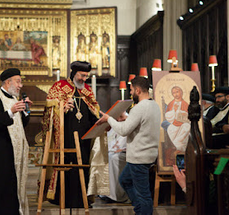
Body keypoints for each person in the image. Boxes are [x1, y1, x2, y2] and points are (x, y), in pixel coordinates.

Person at [41, 61, 106, 208]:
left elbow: (92, 110)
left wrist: (99, 121)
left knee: (82, 164)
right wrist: (61, 107)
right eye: (82, 75)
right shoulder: (59, 87)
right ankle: (64, 198)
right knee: (68, 164)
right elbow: (48, 114)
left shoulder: (87, 90)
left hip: (84, 137)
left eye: (86, 76)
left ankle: (82, 198)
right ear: (73, 73)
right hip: (65, 137)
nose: (84, 79)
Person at [95, 76, 161, 215]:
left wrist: (109, 119)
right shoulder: (154, 105)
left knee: (144, 195)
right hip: (146, 155)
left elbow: (124, 130)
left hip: (139, 157)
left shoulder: (139, 108)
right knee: (124, 180)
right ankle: (139, 210)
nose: (130, 93)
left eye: (131, 90)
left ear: (137, 90)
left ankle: (143, 212)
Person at [0, 68, 32, 215]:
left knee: (15, 185)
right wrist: (11, 111)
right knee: (4, 186)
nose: (21, 85)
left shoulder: (13, 99)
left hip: (15, 151)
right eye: (18, 82)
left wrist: (25, 110)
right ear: (8, 82)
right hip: (2, 150)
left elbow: (20, 124)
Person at [99, 112, 130, 203]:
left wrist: (120, 148)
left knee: (113, 158)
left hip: (127, 153)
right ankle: (105, 193)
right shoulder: (115, 124)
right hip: (115, 152)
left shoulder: (128, 123)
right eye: (117, 118)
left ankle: (117, 194)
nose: (119, 120)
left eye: (121, 117)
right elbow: (111, 140)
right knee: (105, 156)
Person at [163, 86, 190, 152]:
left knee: (187, 127)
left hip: (183, 124)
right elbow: (167, 116)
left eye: (177, 92)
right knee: (170, 128)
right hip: (174, 124)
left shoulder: (185, 104)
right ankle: (175, 146)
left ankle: (178, 146)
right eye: (173, 93)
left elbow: (189, 116)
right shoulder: (171, 104)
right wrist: (174, 110)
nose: (176, 94)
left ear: (181, 92)